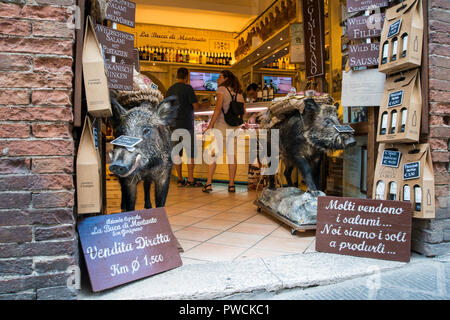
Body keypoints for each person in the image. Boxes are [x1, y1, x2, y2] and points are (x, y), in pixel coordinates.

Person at [202, 70, 245, 193]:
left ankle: (209, 184)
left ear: (226, 78)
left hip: (221, 126)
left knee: (214, 155)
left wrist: (210, 125)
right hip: (234, 128)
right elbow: (244, 112)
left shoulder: (221, 90)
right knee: (232, 156)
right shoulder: (239, 93)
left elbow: (217, 109)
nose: (217, 79)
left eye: (220, 77)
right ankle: (231, 185)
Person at [167, 67, 210, 187]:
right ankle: (190, 179)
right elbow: (196, 107)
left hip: (174, 126)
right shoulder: (188, 88)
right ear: (186, 77)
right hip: (186, 125)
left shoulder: (170, 89)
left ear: (177, 76)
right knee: (191, 153)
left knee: (177, 153)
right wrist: (205, 105)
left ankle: (180, 179)